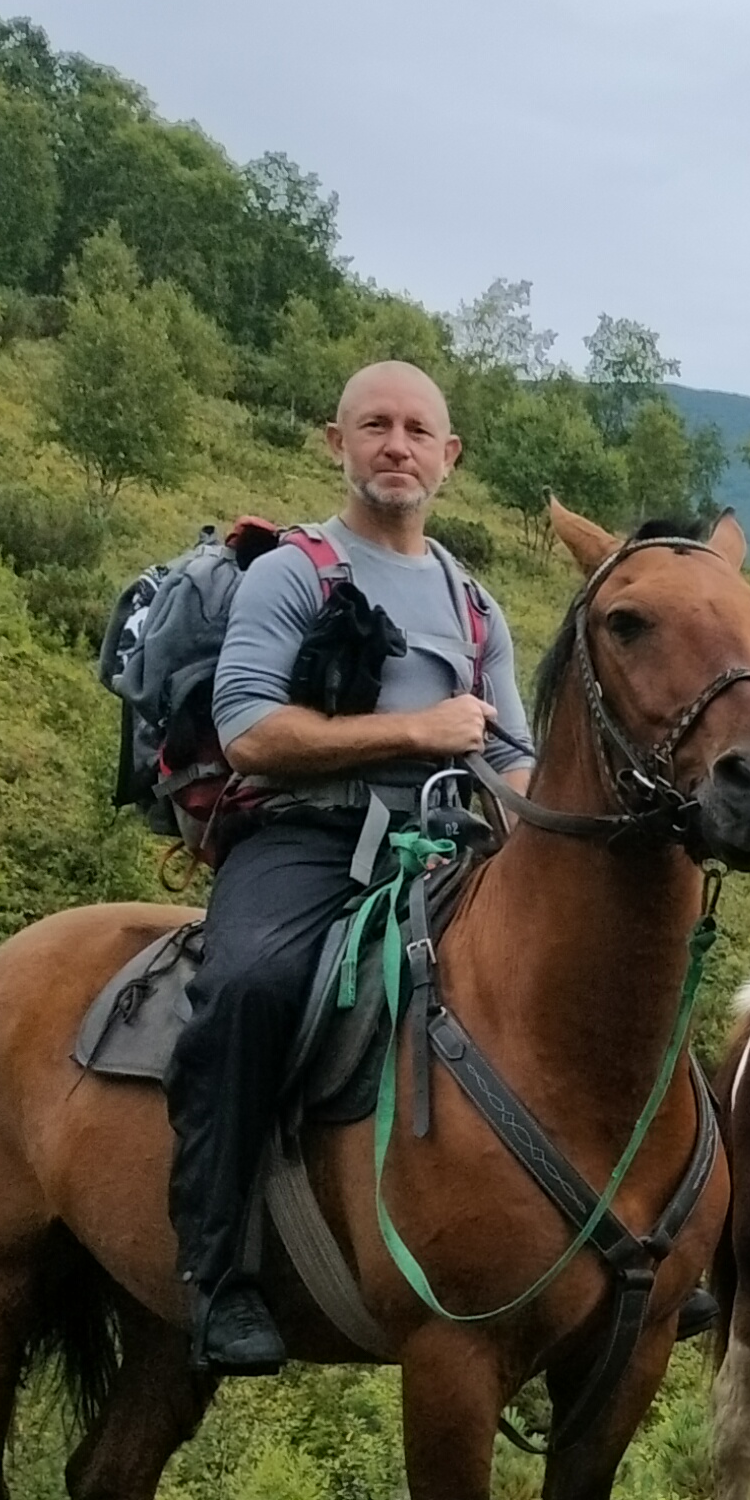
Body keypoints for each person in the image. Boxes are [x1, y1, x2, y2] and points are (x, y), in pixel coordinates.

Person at [167, 359, 530, 1374]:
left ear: (449, 457)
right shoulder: (293, 571)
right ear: (337, 443)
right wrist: (417, 730)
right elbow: (248, 731)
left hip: (448, 845)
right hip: (307, 841)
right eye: (375, 425)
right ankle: (214, 1274)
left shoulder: (475, 605)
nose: (396, 446)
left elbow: (511, 755)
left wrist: (565, 826)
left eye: (417, 430)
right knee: (248, 987)